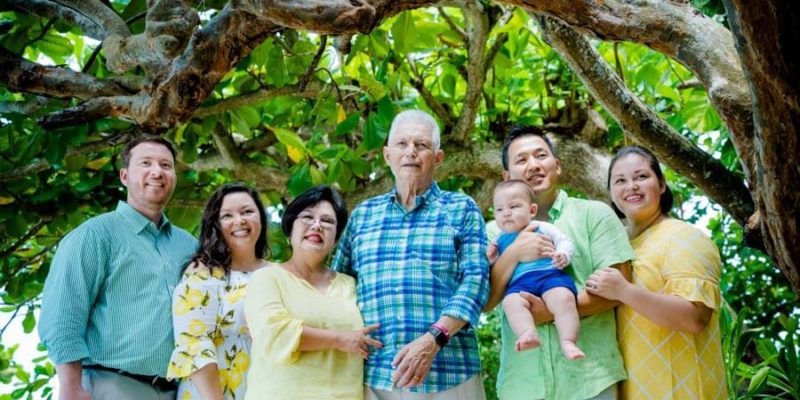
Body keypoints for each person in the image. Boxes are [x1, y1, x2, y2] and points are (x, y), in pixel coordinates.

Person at [333, 109, 490, 399]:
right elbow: (337, 285)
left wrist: (434, 338)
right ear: (387, 155)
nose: (411, 152)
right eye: (402, 144)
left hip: (449, 372)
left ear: (438, 158)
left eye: (422, 145)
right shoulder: (363, 215)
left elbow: (476, 281)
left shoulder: (461, 208)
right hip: (375, 376)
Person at [39, 136, 198, 400]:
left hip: (178, 390)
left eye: (166, 165)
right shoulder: (95, 235)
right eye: (145, 163)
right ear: (124, 176)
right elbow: (63, 313)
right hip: (111, 384)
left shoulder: (189, 244)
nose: (157, 171)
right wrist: (70, 388)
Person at [485, 125, 635, 400]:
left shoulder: (594, 214)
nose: (533, 165)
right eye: (521, 160)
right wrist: (515, 252)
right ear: (507, 177)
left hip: (590, 378)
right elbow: (485, 301)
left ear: (558, 165)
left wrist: (548, 311)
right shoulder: (493, 232)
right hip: (523, 386)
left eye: (541, 155)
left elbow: (618, 291)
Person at [585, 145, 727, 399]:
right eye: (620, 180)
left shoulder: (683, 237)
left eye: (641, 177)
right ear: (611, 192)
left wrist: (624, 290)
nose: (631, 186)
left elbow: (694, 317)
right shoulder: (615, 250)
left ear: (661, 185)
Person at [244, 185, 381, 400]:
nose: (317, 225)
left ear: (336, 239)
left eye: (327, 221)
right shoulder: (266, 278)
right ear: (290, 230)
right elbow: (275, 335)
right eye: (307, 217)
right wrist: (339, 339)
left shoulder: (350, 285)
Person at [167, 183, 268, 399]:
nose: (239, 220)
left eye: (247, 212)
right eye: (227, 216)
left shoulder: (278, 273)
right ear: (215, 224)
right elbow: (193, 344)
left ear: (261, 217)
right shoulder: (203, 271)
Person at [488, 180, 582, 359]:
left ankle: (568, 341)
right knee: (510, 303)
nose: (506, 213)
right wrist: (492, 260)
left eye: (514, 206)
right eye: (499, 209)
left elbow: (565, 241)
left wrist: (563, 253)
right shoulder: (498, 240)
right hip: (520, 284)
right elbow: (496, 272)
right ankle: (527, 333)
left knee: (564, 299)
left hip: (550, 275)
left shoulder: (541, 227)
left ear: (531, 210)